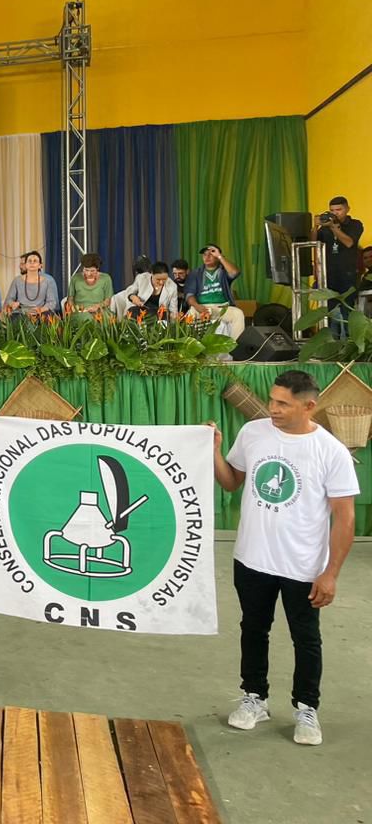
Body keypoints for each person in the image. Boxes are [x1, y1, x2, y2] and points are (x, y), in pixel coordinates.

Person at [209, 371, 358, 746]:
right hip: (251, 559)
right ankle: (254, 697)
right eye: (272, 400)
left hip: (303, 566)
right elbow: (231, 481)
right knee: (253, 629)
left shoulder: (331, 451)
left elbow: (345, 518)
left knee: (305, 638)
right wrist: (213, 450)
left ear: (309, 406)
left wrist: (331, 574)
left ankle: (306, 708)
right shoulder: (253, 433)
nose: (272, 409)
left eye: (282, 403)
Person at [312, 196, 364, 339]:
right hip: (329, 276)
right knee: (330, 315)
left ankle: (349, 346)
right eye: (332, 210)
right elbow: (312, 244)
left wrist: (334, 228)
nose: (335, 213)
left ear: (347, 209)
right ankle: (332, 348)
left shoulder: (355, 224)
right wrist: (315, 226)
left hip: (347, 275)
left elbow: (349, 243)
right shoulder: (325, 228)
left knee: (347, 312)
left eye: (339, 210)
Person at [187, 244, 245, 340]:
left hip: (222, 307)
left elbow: (235, 272)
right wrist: (197, 306)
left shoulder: (223, 271)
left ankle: (235, 348)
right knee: (190, 314)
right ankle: (192, 349)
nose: (207, 257)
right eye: (205, 255)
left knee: (238, 314)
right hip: (202, 307)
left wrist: (220, 256)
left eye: (211, 254)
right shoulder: (195, 273)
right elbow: (189, 295)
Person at [6, 251, 59, 316]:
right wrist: (13, 304)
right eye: (29, 261)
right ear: (25, 265)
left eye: (35, 261)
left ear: (40, 265)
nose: (32, 263)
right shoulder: (17, 280)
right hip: (21, 313)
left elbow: (52, 302)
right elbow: (9, 299)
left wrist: (41, 309)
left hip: (40, 312)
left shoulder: (47, 281)